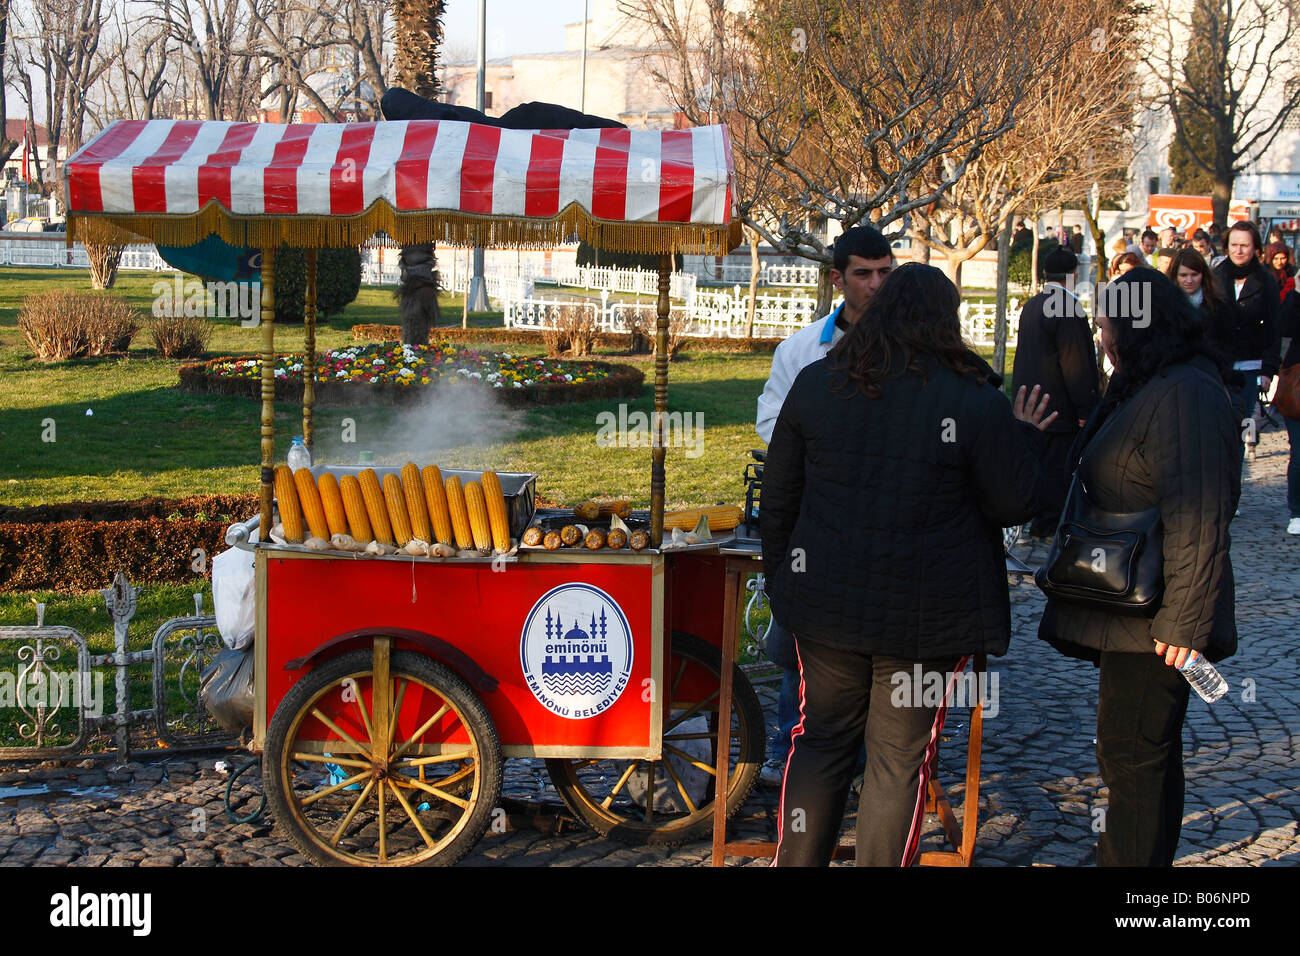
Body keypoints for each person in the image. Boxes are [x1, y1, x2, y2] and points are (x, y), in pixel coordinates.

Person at [762, 263, 1057, 866]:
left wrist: (784, 584)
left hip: (828, 612)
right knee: (897, 763)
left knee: (821, 744)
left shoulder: (819, 384)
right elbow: (1015, 502)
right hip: (922, 621)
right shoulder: (973, 400)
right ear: (948, 321)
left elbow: (778, 499)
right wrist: (1025, 437)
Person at [1037, 268, 1239, 866]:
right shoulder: (1147, 383)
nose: (1100, 338)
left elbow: (1202, 514)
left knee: (1135, 753)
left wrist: (1183, 627)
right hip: (1136, 608)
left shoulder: (1186, 393)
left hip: (1159, 618)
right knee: (1135, 751)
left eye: (1104, 325)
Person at [754, 225, 894, 787]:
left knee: (876, 647)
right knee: (802, 641)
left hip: (886, 523)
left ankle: (871, 762)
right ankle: (792, 753)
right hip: (819, 516)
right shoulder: (800, 349)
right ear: (839, 279)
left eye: (886, 272)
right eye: (864, 273)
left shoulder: (911, 345)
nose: (876, 285)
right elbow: (770, 422)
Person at [1012, 247, 1100, 537]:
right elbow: (1076, 364)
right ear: (1074, 274)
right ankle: (1048, 526)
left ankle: (1037, 520)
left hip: (1031, 401)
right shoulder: (1067, 308)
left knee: (1038, 466)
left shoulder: (1032, 304)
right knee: (1056, 472)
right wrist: (1087, 408)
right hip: (1059, 406)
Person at [1213, 221, 1282, 465]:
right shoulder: (1215, 277)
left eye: (1244, 245)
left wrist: (1268, 370)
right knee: (1218, 428)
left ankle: (1234, 486)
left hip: (1251, 365)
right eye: (1234, 245)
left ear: (1255, 249)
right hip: (1219, 364)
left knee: (1242, 427)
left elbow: (1274, 328)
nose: (1238, 251)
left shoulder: (1266, 281)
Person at [1166, 246, 1236, 386]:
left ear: (1203, 275)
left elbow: (1228, 345)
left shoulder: (1218, 306)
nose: (1189, 280)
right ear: (1175, 276)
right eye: (1184, 275)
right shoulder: (1166, 306)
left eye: (1194, 274)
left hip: (1212, 376)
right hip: (1174, 379)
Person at [1280, 291, 1300, 534]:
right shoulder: (1295, 298)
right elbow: (1283, 326)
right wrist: (1296, 293)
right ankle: (1297, 510)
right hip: (1297, 386)